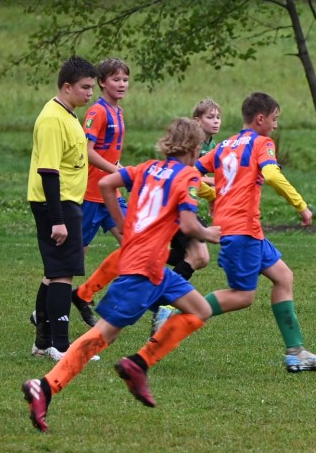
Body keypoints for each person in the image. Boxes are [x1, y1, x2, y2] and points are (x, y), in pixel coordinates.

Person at [22, 118, 222, 432]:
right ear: (196, 148)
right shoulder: (189, 176)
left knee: (200, 309)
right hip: (143, 268)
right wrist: (209, 233)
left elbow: (106, 184)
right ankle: (45, 386)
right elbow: (187, 224)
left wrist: (123, 224)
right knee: (103, 335)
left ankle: (138, 364)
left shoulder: (146, 168)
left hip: (155, 268)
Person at [194, 92, 316, 373]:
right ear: (260, 119)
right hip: (241, 229)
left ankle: (296, 352)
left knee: (283, 277)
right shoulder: (262, 143)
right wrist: (301, 205)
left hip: (249, 229)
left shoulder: (224, 145)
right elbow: (271, 175)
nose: (276, 125)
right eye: (274, 119)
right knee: (243, 296)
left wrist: (213, 195)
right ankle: (178, 312)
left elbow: (189, 172)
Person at [27, 56, 99, 362]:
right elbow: (48, 171)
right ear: (67, 86)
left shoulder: (68, 115)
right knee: (62, 275)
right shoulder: (52, 119)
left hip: (67, 202)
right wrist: (57, 219)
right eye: (85, 87)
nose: (90, 93)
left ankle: (43, 343)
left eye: (92, 88)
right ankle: (62, 345)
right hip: (56, 203)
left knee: (54, 273)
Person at [151, 98, 223, 333]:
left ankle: (152, 266)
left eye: (218, 117)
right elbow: (192, 176)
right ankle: (162, 303)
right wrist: (214, 192)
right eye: (210, 117)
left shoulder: (210, 146)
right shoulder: (187, 159)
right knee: (199, 257)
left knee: (186, 256)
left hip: (172, 212)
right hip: (177, 214)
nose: (216, 121)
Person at [69, 58, 131, 328]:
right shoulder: (98, 111)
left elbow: (109, 153)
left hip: (112, 195)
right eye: (116, 79)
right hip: (91, 196)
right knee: (72, 260)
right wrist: (118, 172)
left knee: (134, 245)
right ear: (102, 82)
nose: (122, 84)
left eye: (125, 79)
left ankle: (84, 294)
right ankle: (46, 310)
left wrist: (121, 170)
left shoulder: (118, 111)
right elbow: (88, 151)